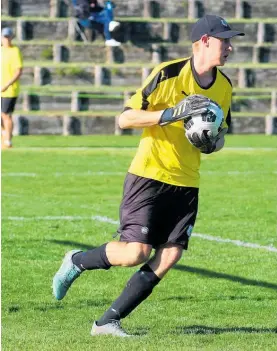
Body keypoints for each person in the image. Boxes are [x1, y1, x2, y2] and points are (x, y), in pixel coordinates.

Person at [53, 15, 245, 337]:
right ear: (204, 42)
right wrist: (171, 115)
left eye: (230, 41)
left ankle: (107, 323)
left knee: (170, 254)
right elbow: (125, 119)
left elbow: (221, 133)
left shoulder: (225, 87)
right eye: (224, 40)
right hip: (150, 174)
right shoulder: (168, 74)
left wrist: (212, 143)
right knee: (136, 253)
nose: (230, 47)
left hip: (186, 181)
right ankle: (76, 260)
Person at [1, 27, 23, 149]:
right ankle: (4, 137)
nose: (6, 40)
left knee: (6, 114)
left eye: (8, 37)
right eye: (4, 37)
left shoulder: (15, 51)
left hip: (10, 89)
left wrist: (7, 85)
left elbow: (18, 71)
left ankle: (8, 140)